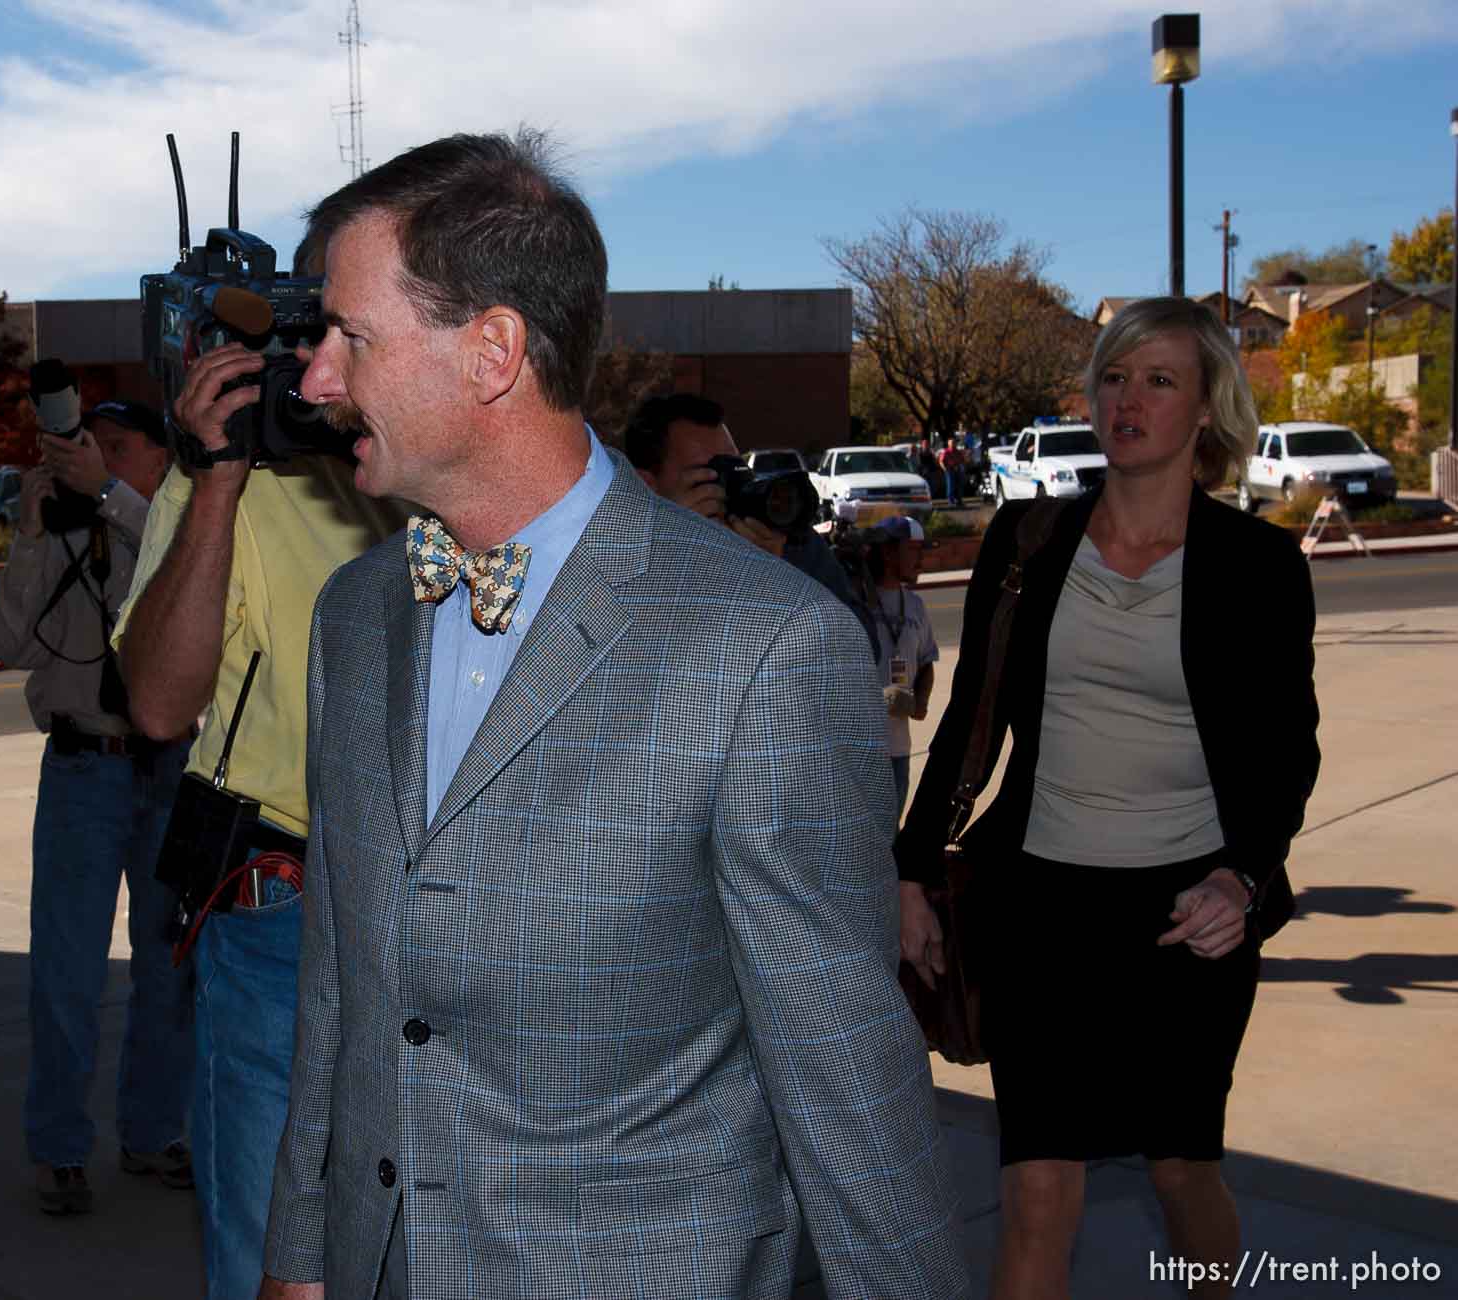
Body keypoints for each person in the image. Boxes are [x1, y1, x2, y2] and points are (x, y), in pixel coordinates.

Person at [262, 130, 968, 1300]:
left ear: (491, 352)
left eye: (352, 337)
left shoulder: (762, 646)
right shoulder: (357, 613)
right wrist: (302, 1250)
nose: (315, 379)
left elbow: (842, 1069)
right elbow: (340, 981)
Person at [897, 296, 1320, 1300]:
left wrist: (1243, 875)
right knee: (1038, 1192)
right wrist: (910, 866)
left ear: (1209, 408)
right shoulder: (1030, 540)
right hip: (1039, 906)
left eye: (1160, 380)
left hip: (1187, 915)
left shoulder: (1256, 566)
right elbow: (971, 722)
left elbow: (1284, 751)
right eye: (1115, 378)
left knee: (1181, 1171)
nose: (1128, 401)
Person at [111, 244, 402, 1295]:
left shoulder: (429, 469)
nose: (307, 380)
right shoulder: (211, 489)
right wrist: (219, 480)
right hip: (286, 916)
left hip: (454, 909)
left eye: (328, 342)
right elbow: (156, 704)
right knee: (270, 1257)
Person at [0, 398, 194, 1215]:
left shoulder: (178, 527)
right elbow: (9, 645)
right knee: (65, 971)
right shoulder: (63, 528)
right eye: (83, 448)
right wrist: (34, 533)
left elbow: (178, 572)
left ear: (159, 461)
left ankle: (151, 1133)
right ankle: (61, 1149)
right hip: (82, 765)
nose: (92, 459)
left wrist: (111, 497)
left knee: (167, 971)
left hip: (171, 767)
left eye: (114, 447)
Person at [622, 392, 866, 625]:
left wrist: (778, 576)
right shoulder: (623, 557)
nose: (730, 485)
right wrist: (678, 550)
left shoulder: (786, 538)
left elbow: (861, 644)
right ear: (647, 487)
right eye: (711, 474)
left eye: (736, 467)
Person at [868, 515, 939, 815]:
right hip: (863, 749)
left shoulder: (915, 605)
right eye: (913, 550)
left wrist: (920, 701)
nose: (921, 559)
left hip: (899, 748)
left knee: (892, 835)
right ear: (887, 553)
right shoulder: (857, 601)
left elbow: (927, 661)